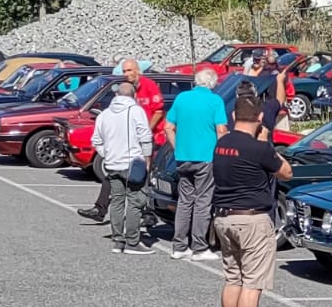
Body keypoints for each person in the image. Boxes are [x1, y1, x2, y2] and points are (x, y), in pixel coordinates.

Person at [212, 92, 291, 307]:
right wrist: (268, 144)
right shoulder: (259, 148)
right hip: (252, 218)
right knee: (252, 282)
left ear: (234, 116)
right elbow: (286, 172)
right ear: (259, 117)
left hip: (223, 217)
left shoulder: (221, 144)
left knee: (233, 277)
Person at [78, 56, 164, 225]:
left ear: (137, 70)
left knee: (143, 175)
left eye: (129, 70)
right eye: (124, 71)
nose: (126, 73)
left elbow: (159, 111)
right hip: (129, 138)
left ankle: (148, 213)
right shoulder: (125, 89)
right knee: (114, 173)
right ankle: (100, 209)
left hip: (147, 138)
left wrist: (145, 131)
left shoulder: (149, 86)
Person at [166, 67, 228, 259]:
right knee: (203, 202)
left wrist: (177, 148)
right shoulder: (215, 100)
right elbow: (221, 130)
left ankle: (179, 246)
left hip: (183, 156)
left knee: (185, 201)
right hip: (206, 157)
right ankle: (199, 247)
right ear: (213, 84)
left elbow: (168, 127)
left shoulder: (181, 98)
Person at [91, 81, 153, 254]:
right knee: (135, 201)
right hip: (132, 164)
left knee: (117, 201)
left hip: (112, 164)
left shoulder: (104, 114)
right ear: (134, 95)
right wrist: (147, 160)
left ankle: (118, 240)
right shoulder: (136, 111)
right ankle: (132, 242)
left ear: (116, 95)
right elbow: (145, 137)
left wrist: (107, 154)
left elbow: (96, 140)